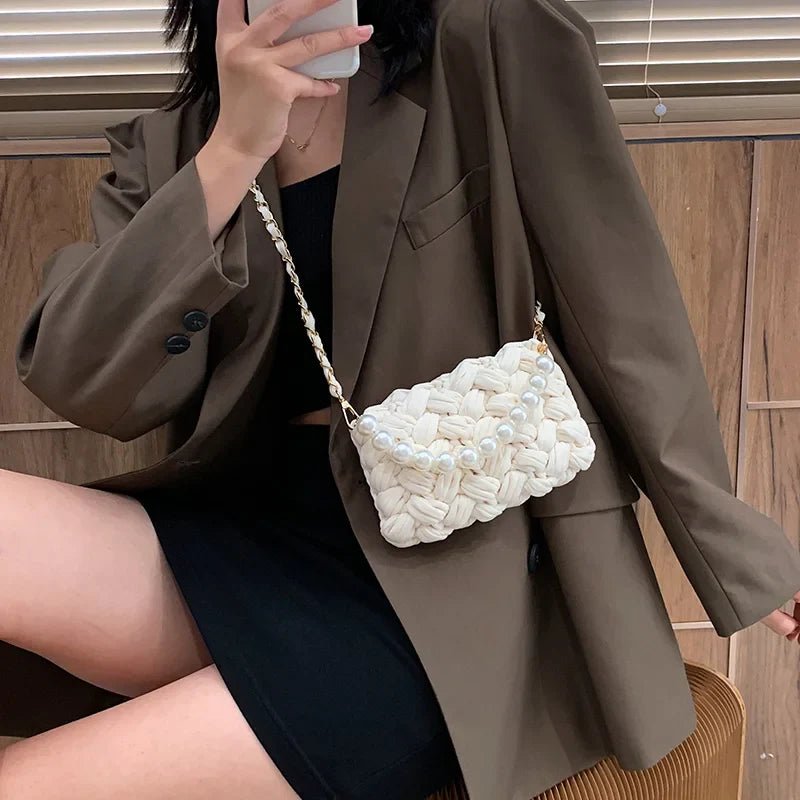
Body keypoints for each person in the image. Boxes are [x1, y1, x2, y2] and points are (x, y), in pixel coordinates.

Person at [2, 0, 800, 798]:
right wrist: (234, 149)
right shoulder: (184, 136)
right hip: (242, 534)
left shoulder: (491, 35)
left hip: (449, 579)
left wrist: (742, 556)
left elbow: (623, 312)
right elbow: (80, 380)